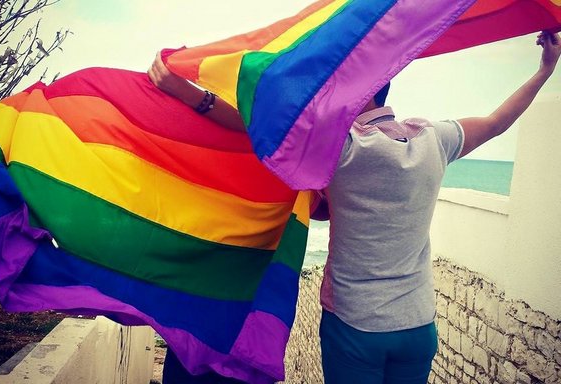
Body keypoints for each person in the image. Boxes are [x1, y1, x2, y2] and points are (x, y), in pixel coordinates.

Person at [148, 31, 561, 384]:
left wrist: (188, 94)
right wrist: (545, 69)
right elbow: (497, 121)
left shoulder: (343, 148)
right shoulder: (435, 139)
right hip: (418, 327)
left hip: (356, 326)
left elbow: (261, 130)